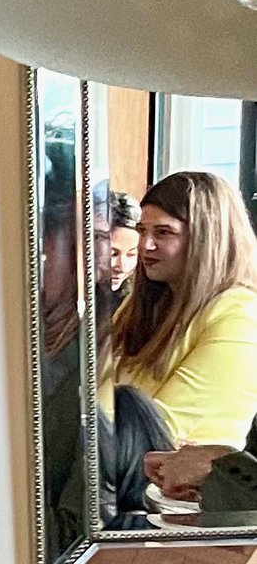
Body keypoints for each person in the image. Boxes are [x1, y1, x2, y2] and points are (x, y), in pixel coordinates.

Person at [107, 170, 257, 456]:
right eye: (142, 231)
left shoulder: (241, 317)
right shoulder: (139, 305)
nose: (144, 246)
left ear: (206, 238)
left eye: (163, 232)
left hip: (178, 494)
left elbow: (158, 431)